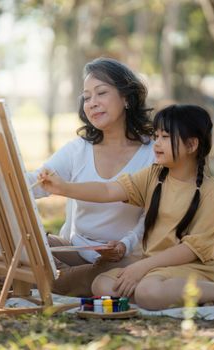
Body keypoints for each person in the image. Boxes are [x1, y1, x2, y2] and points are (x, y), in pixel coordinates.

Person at [38, 104, 214, 310]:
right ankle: (176, 294)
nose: (156, 143)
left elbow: (190, 250)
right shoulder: (154, 176)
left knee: (149, 291)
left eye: (165, 137)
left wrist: (142, 268)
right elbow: (108, 190)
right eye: (156, 136)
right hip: (155, 267)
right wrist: (63, 188)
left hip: (193, 267)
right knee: (102, 283)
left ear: (191, 145)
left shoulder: (211, 191)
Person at [26, 57, 156, 296]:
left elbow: (153, 216)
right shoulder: (79, 149)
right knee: (20, 250)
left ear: (127, 98)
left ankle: (61, 281)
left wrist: (124, 245)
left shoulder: (152, 153)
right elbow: (35, 184)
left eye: (101, 93)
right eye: (87, 97)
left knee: (42, 277)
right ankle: (65, 280)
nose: (92, 103)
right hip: (76, 249)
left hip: (124, 257)